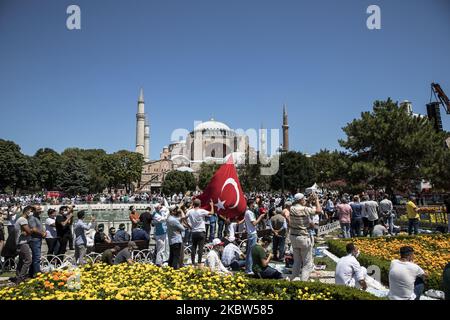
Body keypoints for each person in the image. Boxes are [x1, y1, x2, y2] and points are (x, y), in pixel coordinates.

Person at [288, 193, 321, 281]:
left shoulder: (291, 208)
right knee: (307, 263)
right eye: (304, 199)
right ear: (301, 200)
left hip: (294, 237)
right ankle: (304, 282)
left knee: (297, 262)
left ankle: (293, 279)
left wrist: (309, 200)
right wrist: (316, 199)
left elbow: (302, 206)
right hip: (303, 237)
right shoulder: (305, 209)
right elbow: (318, 211)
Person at [186, 198, 215, 266]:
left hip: (194, 231)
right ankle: (199, 262)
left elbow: (184, 217)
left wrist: (188, 225)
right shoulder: (201, 211)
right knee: (200, 248)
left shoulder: (190, 211)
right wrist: (212, 205)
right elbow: (212, 213)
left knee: (193, 247)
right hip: (201, 231)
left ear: (193, 204)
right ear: (200, 204)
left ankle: (193, 262)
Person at [244, 199, 267, 275]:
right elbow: (254, 223)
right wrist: (260, 217)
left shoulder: (248, 212)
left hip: (250, 233)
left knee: (249, 252)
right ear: (251, 204)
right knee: (251, 252)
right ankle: (249, 269)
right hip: (252, 233)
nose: (254, 205)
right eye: (253, 204)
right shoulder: (249, 213)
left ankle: (248, 268)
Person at [14, 206, 33, 283]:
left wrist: (27, 232)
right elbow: (29, 231)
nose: (31, 213)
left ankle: (18, 276)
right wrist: (32, 230)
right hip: (23, 243)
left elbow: (26, 232)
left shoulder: (20, 219)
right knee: (28, 260)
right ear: (26, 211)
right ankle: (21, 277)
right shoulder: (23, 220)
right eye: (30, 211)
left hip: (19, 243)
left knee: (21, 261)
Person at [27, 205, 46, 278]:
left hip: (38, 239)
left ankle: (31, 273)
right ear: (33, 210)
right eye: (38, 209)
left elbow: (38, 227)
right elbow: (34, 229)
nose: (40, 210)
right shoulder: (32, 218)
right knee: (37, 257)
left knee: (35, 257)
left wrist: (43, 232)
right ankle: (37, 274)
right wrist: (42, 233)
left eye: (40, 209)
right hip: (34, 240)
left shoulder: (37, 217)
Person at [166, 205, 185, 270]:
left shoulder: (169, 218)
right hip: (176, 240)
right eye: (175, 210)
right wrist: (182, 211)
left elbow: (181, 218)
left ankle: (169, 270)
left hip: (172, 240)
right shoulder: (174, 220)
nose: (177, 211)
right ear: (172, 211)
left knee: (171, 256)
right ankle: (174, 270)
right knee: (176, 257)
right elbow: (183, 229)